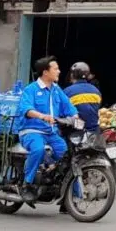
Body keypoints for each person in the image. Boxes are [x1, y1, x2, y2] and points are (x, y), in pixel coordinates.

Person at [18, 56, 78, 199]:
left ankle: (66, 193)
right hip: (31, 131)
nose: (59, 71)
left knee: (67, 154)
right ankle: (28, 183)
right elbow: (26, 109)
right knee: (38, 149)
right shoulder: (31, 89)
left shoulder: (56, 90)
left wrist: (76, 117)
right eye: (55, 69)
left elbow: (69, 107)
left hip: (51, 133)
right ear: (45, 72)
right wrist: (42, 116)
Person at [64, 62, 102, 132]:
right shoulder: (96, 91)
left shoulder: (67, 92)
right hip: (94, 134)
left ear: (72, 75)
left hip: (75, 135)